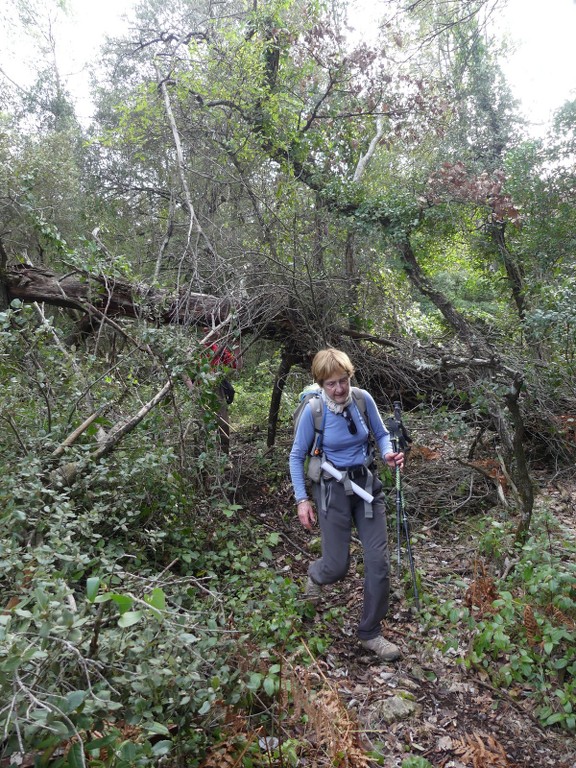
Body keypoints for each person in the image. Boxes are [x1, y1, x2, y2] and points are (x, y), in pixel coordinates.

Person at [289, 348, 404, 661]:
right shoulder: (314, 411)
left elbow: (380, 435)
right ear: (321, 384)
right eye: (331, 384)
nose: (339, 389)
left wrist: (388, 454)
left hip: (367, 486)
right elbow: (296, 455)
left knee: (378, 564)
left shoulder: (363, 400)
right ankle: (315, 575)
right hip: (332, 491)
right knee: (337, 566)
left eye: (343, 381)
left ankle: (370, 632)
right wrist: (302, 499)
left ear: (350, 378)